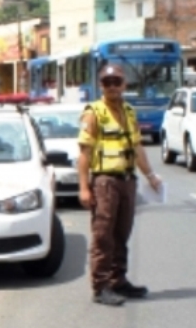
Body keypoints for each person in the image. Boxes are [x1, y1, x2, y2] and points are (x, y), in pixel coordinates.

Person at [77, 64, 162, 307]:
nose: (112, 86)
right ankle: (101, 286)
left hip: (127, 181)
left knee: (122, 233)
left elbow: (137, 148)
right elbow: (84, 153)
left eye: (117, 82)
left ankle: (118, 280)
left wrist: (151, 176)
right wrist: (83, 187)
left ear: (125, 84)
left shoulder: (129, 112)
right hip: (105, 182)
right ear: (101, 86)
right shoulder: (93, 113)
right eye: (107, 82)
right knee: (103, 235)